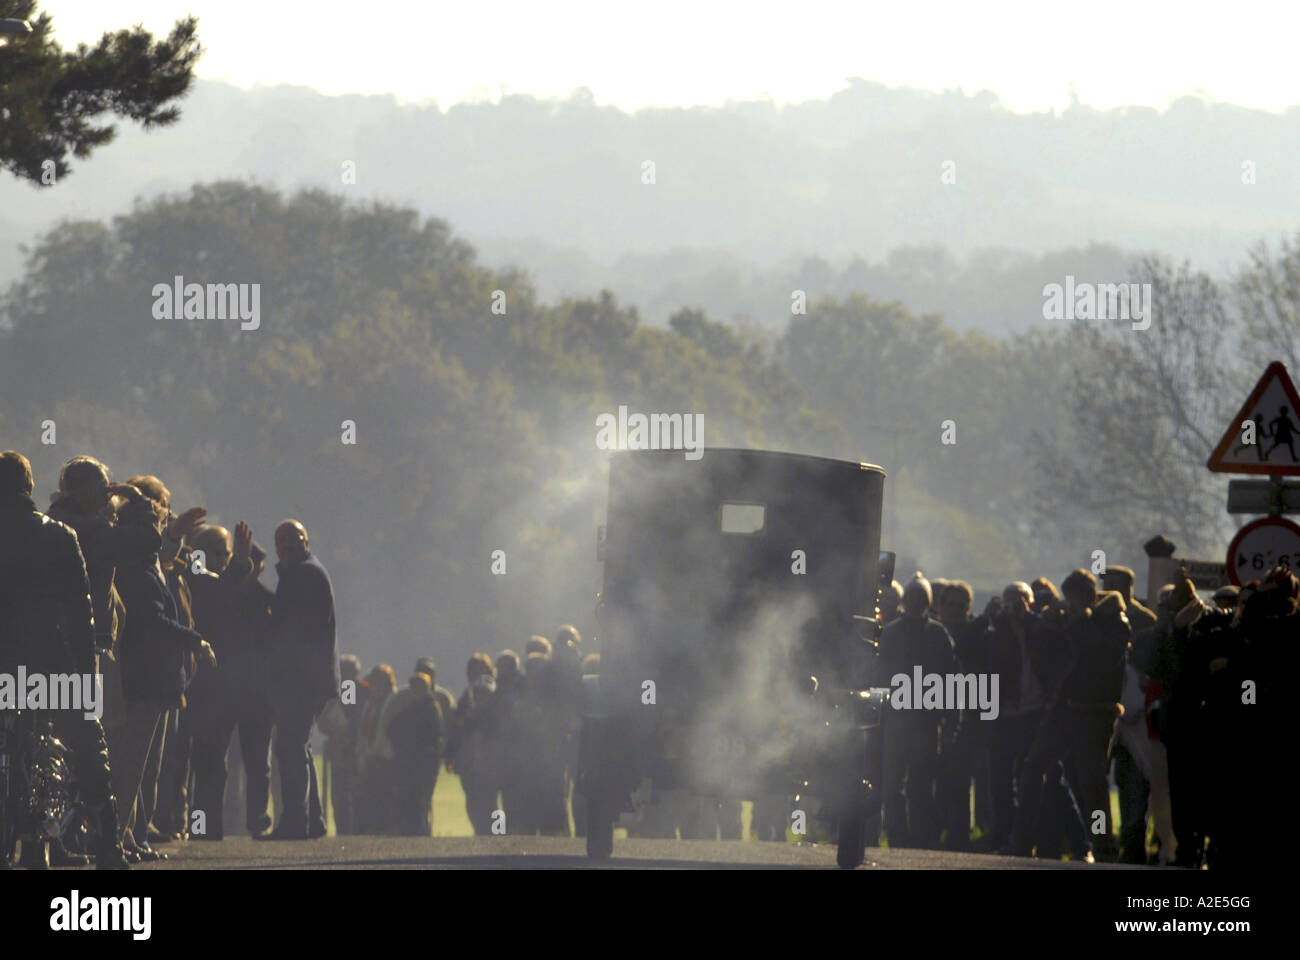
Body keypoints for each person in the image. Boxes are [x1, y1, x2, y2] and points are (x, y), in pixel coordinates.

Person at [0, 451, 129, 870]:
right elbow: (80, 610)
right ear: (30, 487)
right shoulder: (59, 536)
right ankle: (109, 846)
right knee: (88, 747)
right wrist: (84, 672)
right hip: (51, 663)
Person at [1010, 570, 1129, 861]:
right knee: (1033, 767)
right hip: (1064, 710)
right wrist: (1048, 626)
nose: (1071, 603)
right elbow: (1043, 659)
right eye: (1069, 597)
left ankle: (1104, 848)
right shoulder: (1064, 622)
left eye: (1077, 597)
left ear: (1090, 597)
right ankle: (1022, 842)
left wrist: (1079, 622)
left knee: (1093, 785)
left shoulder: (1114, 622)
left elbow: (1104, 655)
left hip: (1094, 713)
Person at [256, 519, 339, 840]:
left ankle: (295, 822)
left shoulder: (303, 574)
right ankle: (311, 820)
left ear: (307, 539)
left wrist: (254, 593)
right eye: (282, 540)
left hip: (302, 680)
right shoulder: (305, 571)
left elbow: (288, 624)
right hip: (311, 678)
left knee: (289, 747)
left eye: (293, 538)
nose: (287, 545)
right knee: (297, 747)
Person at [877, 574, 957, 849]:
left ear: (927, 602)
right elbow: (879, 677)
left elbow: (951, 681)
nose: (914, 603)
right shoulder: (890, 634)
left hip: (926, 721)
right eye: (911, 597)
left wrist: (950, 722)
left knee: (921, 785)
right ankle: (899, 838)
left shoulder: (938, 635)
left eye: (920, 598)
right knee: (892, 784)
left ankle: (921, 841)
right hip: (897, 720)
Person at [385, 672, 443, 835]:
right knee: (409, 800)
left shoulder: (430, 708)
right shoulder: (409, 708)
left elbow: (433, 737)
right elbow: (392, 730)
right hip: (409, 763)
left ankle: (421, 835)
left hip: (422, 764)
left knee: (421, 801)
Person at [317, 655, 364, 835]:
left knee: (343, 794)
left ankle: (346, 831)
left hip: (347, 749)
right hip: (343, 749)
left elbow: (348, 719)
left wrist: (339, 736)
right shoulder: (343, 689)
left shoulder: (348, 687)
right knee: (340, 794)